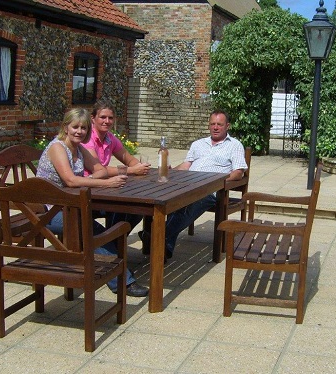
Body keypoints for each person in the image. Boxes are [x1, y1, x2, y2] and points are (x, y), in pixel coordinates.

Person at [36, 108, 149, 297]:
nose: (79, 131)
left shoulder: (78, 148)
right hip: (49, 211)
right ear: (66, 127)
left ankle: (115, 261)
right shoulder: (58, 147)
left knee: (124, 215)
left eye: (83, 128)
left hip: (70, 205)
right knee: (92, 232)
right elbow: (71, 180)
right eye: (75, 127)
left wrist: (96, 178)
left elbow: (100, 169)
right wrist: (105, 183)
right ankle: (123, 281)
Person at [139, 109, 248, 261]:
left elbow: (238, 172)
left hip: (211, 190)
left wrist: (216, 182)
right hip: (187, 185)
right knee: (170, 199)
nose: (215, 127)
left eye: (219, 124)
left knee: (190, 203)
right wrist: (171, 171)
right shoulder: (198, 144)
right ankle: (163, 246)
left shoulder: (234, 145)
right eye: (212, 124)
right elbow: (186, 165)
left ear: (227, 126)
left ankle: (155, 237)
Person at [82, 100, 150, 230]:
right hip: (88, 187)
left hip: (103, 186)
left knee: (140, 207)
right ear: (92, 118)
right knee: (123, 206)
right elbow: (98, 169)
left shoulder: (110, 138)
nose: (106, 121)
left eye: (110, 118)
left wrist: (141, 166)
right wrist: (131, 170)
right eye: (102, 117)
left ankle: (114, 242)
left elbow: (129, 159)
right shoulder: (87, 138)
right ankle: (111, 244)